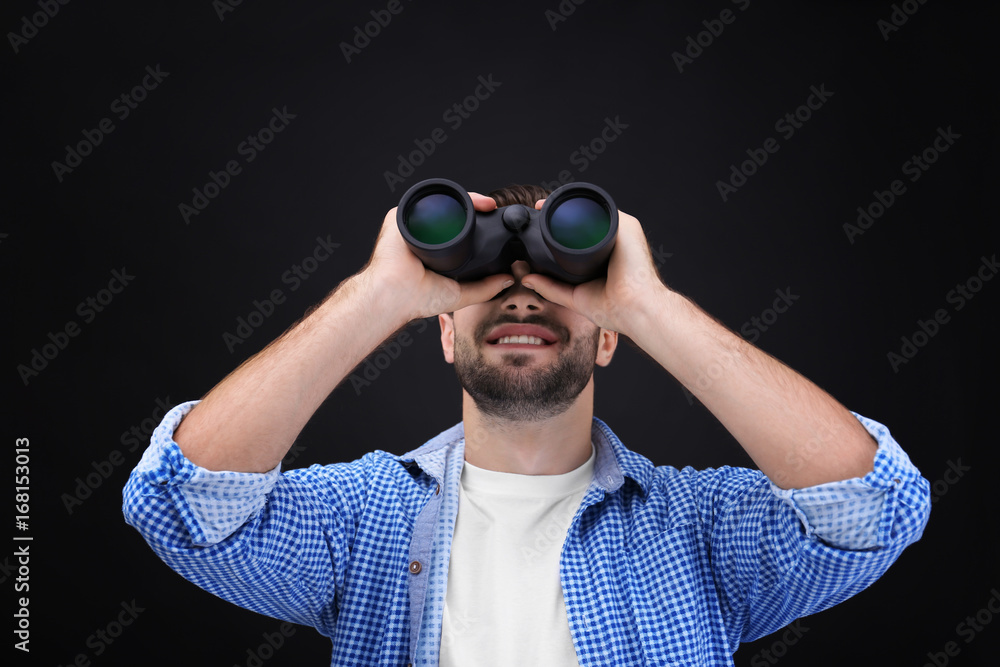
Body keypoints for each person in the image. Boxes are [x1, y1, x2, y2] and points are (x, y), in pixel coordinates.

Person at [122, 183, 931, 666]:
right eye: (488, 283)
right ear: (442, 327)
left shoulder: (701, 527)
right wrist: (379, 292)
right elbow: (183, 508)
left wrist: (648, 304)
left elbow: (874, 508)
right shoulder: (359, 517)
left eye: (555, 281)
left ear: (609, 335)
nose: (521, 296)